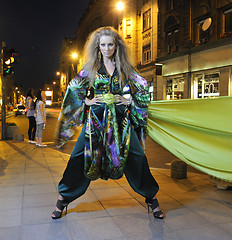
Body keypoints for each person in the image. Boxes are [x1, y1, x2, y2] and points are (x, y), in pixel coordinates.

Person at [51, 26, 164, 219]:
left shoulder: (125, 68)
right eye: (102, 45)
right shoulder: (91, 69)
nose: (106, 49)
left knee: (136, 156)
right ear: (97, 46)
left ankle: (151, 198)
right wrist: (86, 101)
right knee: (79, 156)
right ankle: (63, 199)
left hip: (121, 121)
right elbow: (74, 89)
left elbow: (143, 87)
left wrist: (128, 100)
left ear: (116, 46)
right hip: (95, 120)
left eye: (110, 44)